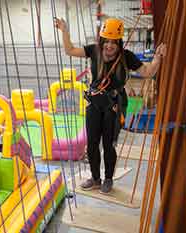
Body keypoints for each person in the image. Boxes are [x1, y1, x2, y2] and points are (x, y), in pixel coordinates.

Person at [55, 17, 166, 194]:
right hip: (94, 103)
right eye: (106, 41)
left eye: (114, 42)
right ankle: (95, 178)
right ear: (102, 41)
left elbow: (148, 72)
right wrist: (65, 30)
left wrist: (158, 57)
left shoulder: (126, 56)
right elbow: (69, 50)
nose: (109, 46)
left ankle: (108, 179)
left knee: (109, 144)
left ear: (119, 42)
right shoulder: (93, 51)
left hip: (114, 105)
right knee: (91, 144)